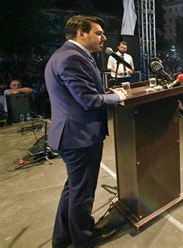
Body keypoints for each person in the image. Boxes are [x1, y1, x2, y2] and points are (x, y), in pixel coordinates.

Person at [45, 15, 127, 247]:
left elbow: (82, 92)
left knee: (73, 190)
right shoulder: (72, 57)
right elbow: (88, 100)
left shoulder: (67, 54)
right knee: (82, 194)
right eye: (98, 33)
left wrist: (105, 92)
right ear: (81, 33)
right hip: (79, 137)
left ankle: (62, 238)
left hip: (72, 135)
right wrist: (116, 97)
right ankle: (85, 239)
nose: (103, 38)